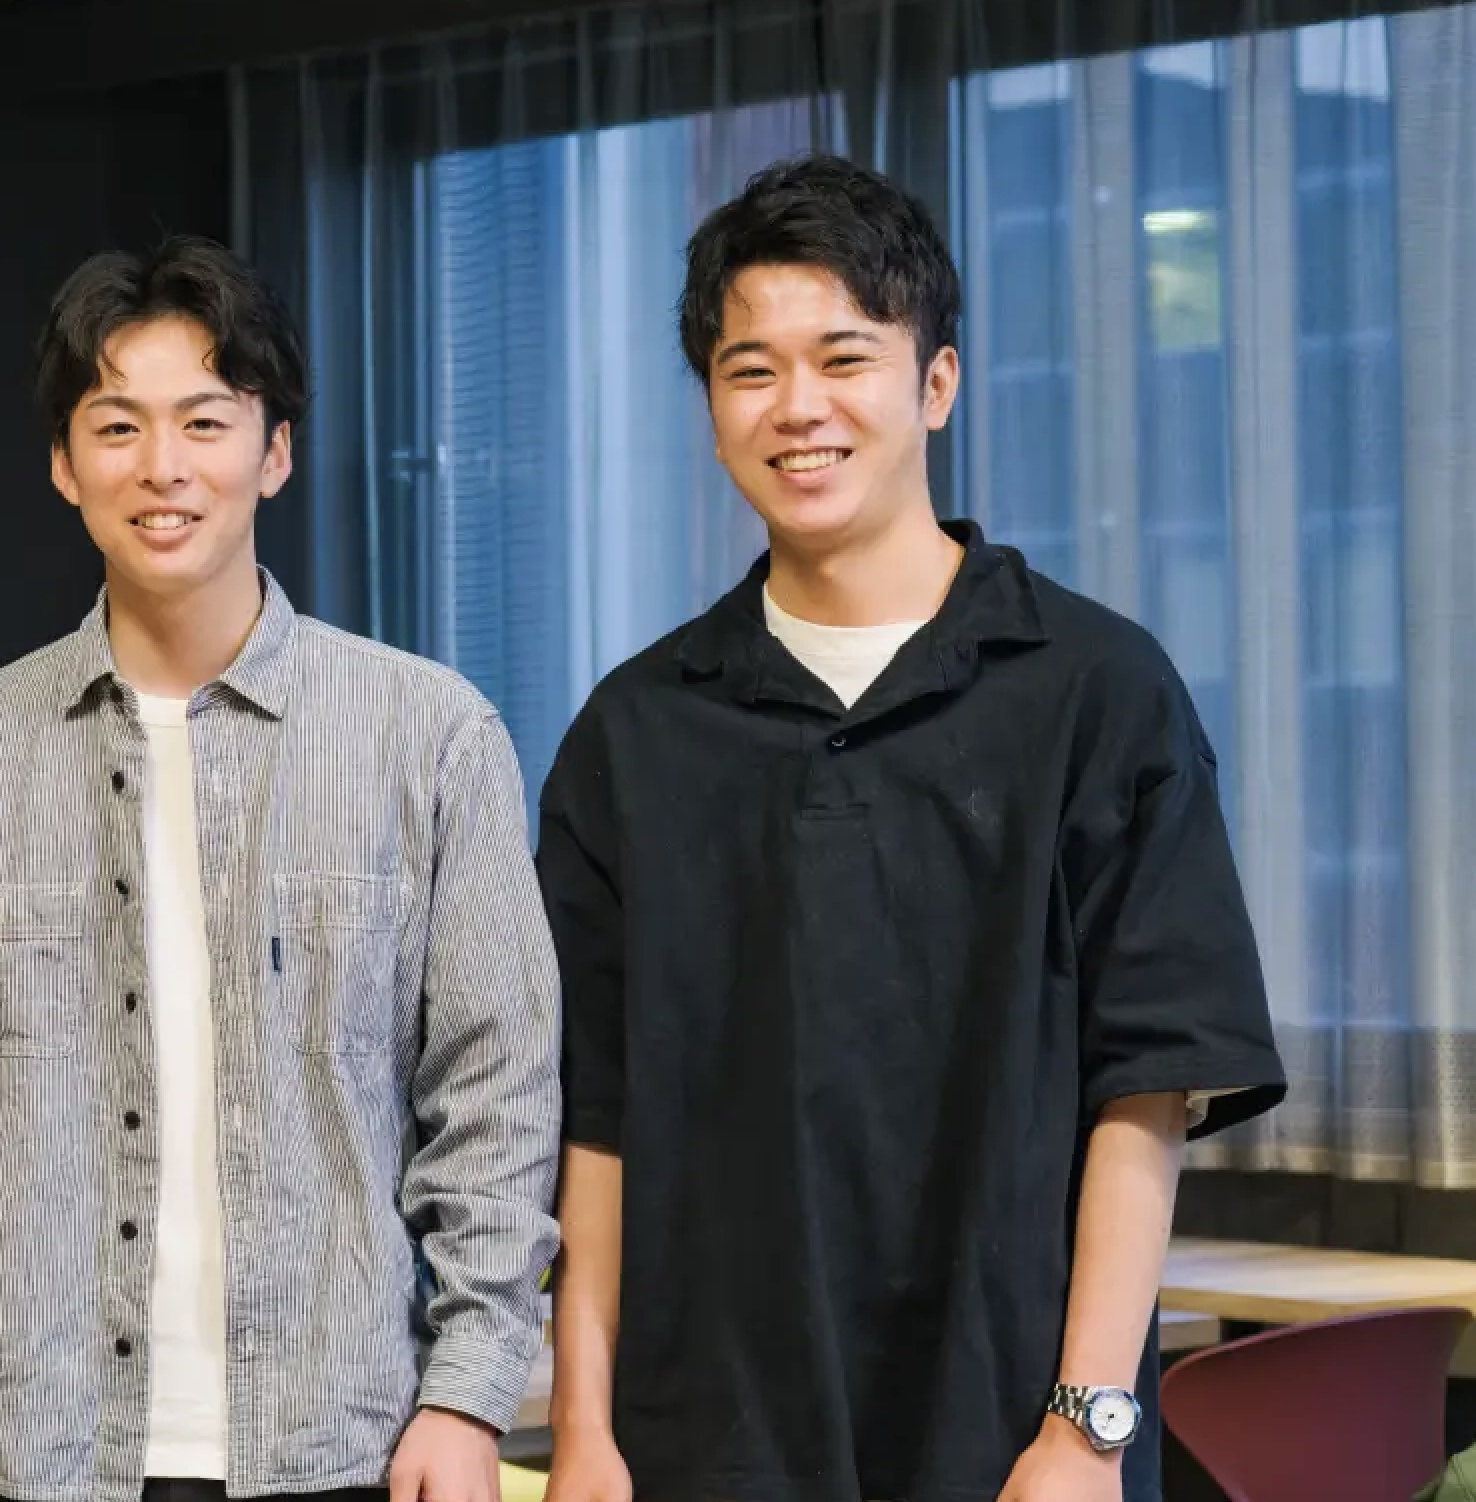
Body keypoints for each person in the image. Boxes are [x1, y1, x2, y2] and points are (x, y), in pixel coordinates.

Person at [536, 153, 1289, 1502]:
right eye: (751, 370)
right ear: (711, 411)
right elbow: (596, 1119)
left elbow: (1149, 1088)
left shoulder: (1094, 691)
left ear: (936, 383)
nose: (798, 407)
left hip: (1013, 1438)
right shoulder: (635, 732)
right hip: (704, 1441)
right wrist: (582, 1433)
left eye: (844, 358)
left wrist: (1086, 1430)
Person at [0, 234, 562, 1502]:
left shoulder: (428, 737)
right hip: (33, 1452)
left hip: (344, 1448)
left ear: (273, 452)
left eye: (205, 421)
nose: (161, 466)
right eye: (117, 426)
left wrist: (466, 1393)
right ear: (64, 465)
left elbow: (497, 1095)